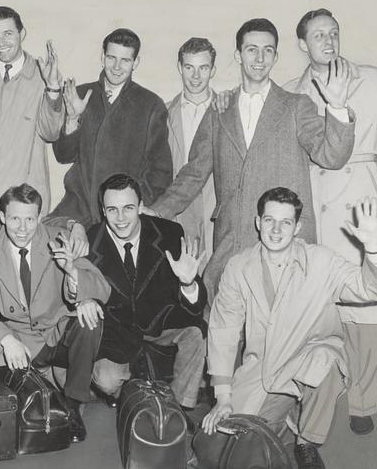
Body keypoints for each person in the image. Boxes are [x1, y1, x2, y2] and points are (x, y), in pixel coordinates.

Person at [284, 8, 377, 436]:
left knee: (366, 309)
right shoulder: (292, 92)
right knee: (319, 308)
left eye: (333, 33)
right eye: (318, 35)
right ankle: (320, 390)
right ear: (302, 45)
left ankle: (363, 402)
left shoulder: (373, 78)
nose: (328, 41)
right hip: (315, 203)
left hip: (360, 199)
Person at [148, 18, 356, 300]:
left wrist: (338, 107)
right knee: (223, 328)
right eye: (251, 50)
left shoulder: (296, 106)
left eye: (268, 50)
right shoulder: (219, 110)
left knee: (281, 335)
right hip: (230, 244)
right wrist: (158, 211)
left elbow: (332, 156)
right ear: (238, 55)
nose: (260, 58)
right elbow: (194, 172)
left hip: (284, 245)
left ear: (276, 56)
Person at [201, 187, 377, 469]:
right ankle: (288, 413)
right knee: (231, 439)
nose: (276, 230)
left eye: (286, 222)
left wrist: (375, 249)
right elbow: (224, 329)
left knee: (324, 363)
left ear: (298, 227)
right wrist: (223, 396)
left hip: (312, 354)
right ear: (257, 222)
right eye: (269, 221)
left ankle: (307, 441)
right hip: (264, 367)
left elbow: (371, 289)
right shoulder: (238, 267)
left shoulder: (321, 261)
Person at [0, 184, 111, 442]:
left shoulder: (58, 238)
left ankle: (73, 406)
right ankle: (36, 384)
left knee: (90, 320)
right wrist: (6, 340)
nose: (22, 228)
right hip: (20, 339)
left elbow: (102, 286)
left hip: (58, 332)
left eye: (30, 219)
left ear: (39, 218)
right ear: (2, 218)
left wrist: (74, 275)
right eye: (15, 219)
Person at [83, 174, 207, 415]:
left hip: (160, 324)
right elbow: (77, 282)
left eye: (128, 208)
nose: (120, 218)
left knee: (197, 333)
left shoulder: (170, 233)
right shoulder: (90, 240)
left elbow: (195, 308)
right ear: (103, 210)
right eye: (112, 210)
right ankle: (130, 393)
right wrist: (84, 297)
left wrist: (188, 282)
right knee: (106, 381)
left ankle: (177, 407)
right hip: (117, 335)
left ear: (141, 206)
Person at [46, 28, 172, 228]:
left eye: (125, 60)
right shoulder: (80, 94)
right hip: (77, 209)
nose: (116, 67)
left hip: (121, 218)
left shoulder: (151, 105)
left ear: (136, 62)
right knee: (44, 239)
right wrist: (73, 118)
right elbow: (62, 155)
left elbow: (161, 172)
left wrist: (131, 207)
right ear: (102, 57)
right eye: (111, 58)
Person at [0, 6, 64, 207]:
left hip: (23, 201)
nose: (1, 43)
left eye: (8, 34)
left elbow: (51, 133)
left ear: (22, 33)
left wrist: (52, 88)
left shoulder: (44, 77)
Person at [165, 37, 219, 271]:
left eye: (203, 68)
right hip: (177, 211)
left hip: (214, 206)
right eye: (189, 67)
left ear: (213, 70)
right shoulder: (163, 114)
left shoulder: (228, 111)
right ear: (180, 68)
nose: (196, 77)